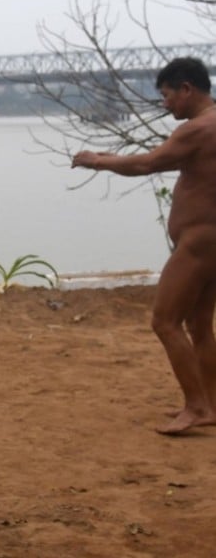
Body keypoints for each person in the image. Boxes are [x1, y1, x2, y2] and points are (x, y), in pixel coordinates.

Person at [73, 56, 216, 435]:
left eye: (167, 95)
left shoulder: (198, 129)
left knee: (164, 321)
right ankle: (212, 404)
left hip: (199, 243)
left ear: (187, 89)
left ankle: (196, 406)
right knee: (199, 324)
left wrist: (98, 160)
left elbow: (147, 164)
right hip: (210, 242)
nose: (165, 104)